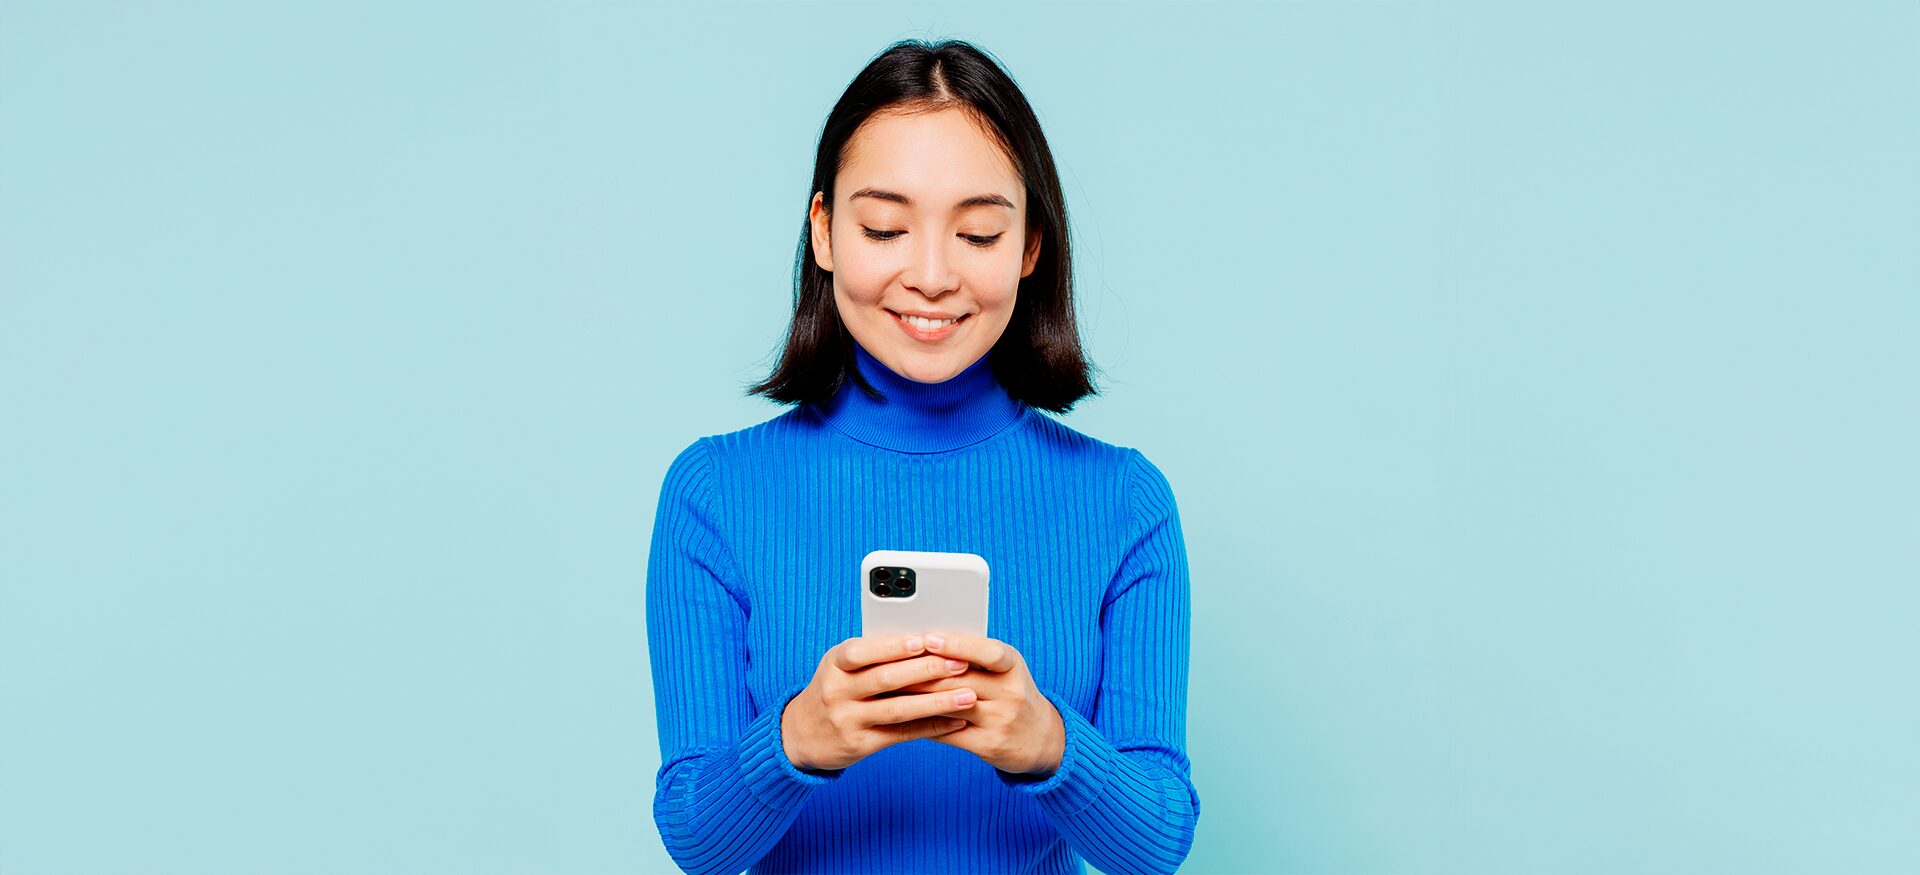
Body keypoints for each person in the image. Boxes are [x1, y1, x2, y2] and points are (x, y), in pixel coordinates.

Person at [646, 38, 1199, 875]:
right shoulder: (716, 492)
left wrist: (1046, 745)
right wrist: (802, 737)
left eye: (978, 232)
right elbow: (696, 840)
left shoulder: (1124, 501)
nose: (933, 274)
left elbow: (1159, 844)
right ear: (826, 232)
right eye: (884, 227)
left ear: (1029, 248)